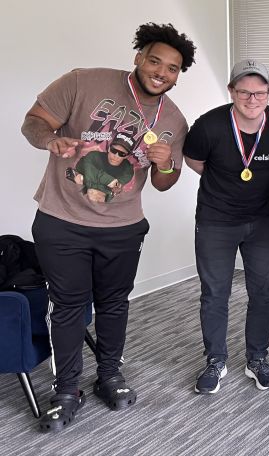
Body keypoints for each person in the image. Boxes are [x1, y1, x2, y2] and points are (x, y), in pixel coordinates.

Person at [20, 22, 195, 432]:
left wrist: (165, 161)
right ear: (138, 57)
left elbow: (164, 183)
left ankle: (109, 375)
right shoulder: (83, 81)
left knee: (115, 304)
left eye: (172, 68)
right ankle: (66, 389)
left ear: (177, 75)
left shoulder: (174, 118)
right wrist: (50, 141)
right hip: (61, 220)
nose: (162, 73)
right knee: (67, 307)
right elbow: (34, 122)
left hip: (123, 227)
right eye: (155, 61)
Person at [183, 60, 269, 394]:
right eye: (245, 92)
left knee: (263, 292)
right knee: (215, 293)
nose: (252, 99)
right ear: (231, 91)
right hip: (215, 221)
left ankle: (257, 359)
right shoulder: (208, 126)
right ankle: (215, 361)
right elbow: (196, 162)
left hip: (263, 221)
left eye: (259, 92)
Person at [67, 133, 136, 203]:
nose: (116, 156)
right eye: (114, 150)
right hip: (70, 202)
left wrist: (84, 179)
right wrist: (109, 181)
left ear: (127, 156)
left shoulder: (128, 170)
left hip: (106, 210)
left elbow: (112, 192)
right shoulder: (93, 156)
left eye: (122, 154)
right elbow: (80, 167)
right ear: (109, 148)